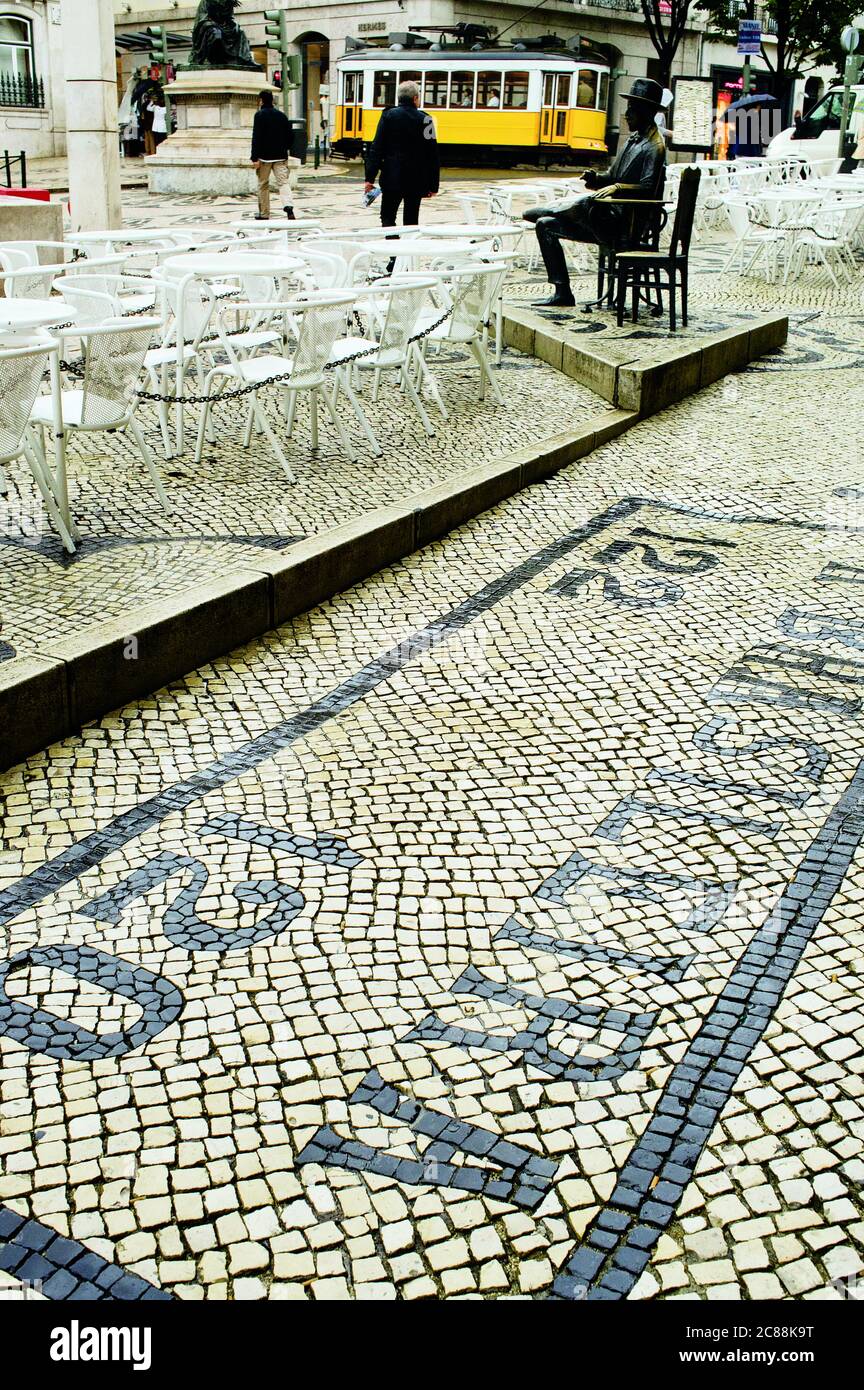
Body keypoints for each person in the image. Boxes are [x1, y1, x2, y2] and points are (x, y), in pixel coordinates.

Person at [523, 77, 667, 307]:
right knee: (545, 225)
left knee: (587, 204)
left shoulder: (655, 146)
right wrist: (596, 179)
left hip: (626, 224)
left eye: (632, 108)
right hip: (610, 216)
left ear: (648, 111)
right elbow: (611, 177)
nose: (627, 114)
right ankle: (563, 293)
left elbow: (649, 187)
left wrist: (618, 187)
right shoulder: (632, 141)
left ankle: (558, 209)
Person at [364, 80, 439, 230]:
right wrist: (433, 185)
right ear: (415, 98)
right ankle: (408, 250)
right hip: (416, 180)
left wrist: (369, 178)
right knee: (411, 219)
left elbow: (376, 149)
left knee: (387, 216)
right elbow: (433, 154)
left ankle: (393, 249)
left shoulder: (388, 116)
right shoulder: (426, 119)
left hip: (392, 177)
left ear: (399, 98)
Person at [250, 89, 295, 221]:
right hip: (280, 157)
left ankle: (264, 214)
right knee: (283, 183)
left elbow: (256, 137)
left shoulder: (259, 115)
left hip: (264, 158)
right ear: (273, 100)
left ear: (261, 100)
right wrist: (284, 148)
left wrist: (254, 157)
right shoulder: (282, 116)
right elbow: (291, 136)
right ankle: (289, 207)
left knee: (263, 184)